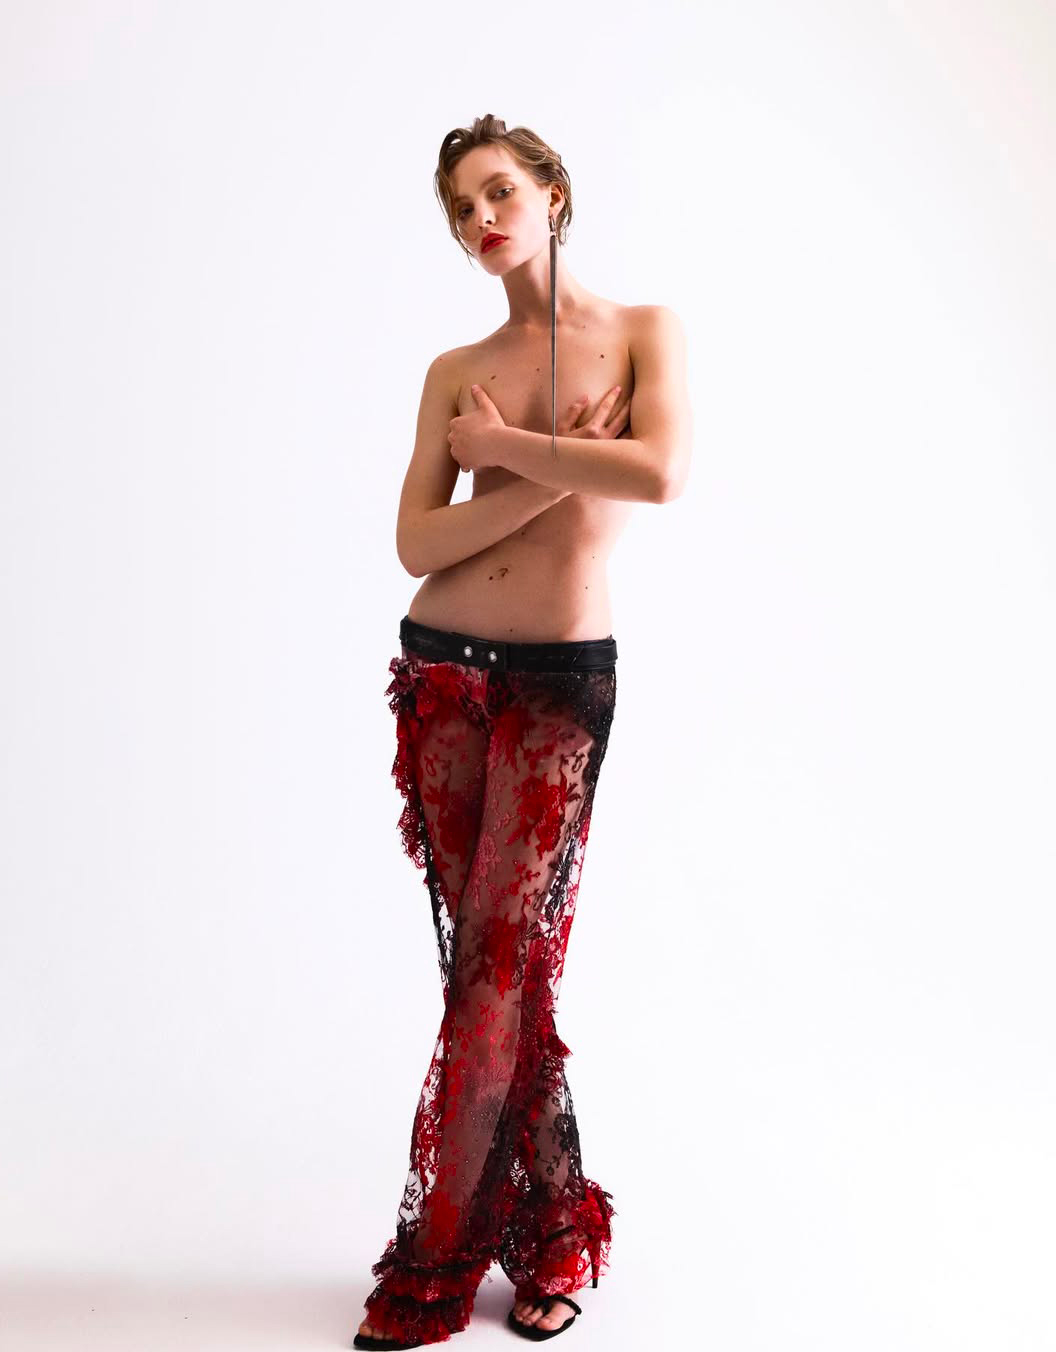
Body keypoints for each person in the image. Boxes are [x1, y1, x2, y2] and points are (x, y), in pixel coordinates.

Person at [355, 114, 693, 1349]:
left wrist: (504, 453)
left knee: (504, 969)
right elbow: (417, 543)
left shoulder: (646, 331)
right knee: (487, 976)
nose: (481, 218)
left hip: (559, 682)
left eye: (498, 191)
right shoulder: (457, 369)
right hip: (444, 672)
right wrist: (544, 467)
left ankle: (434, 1263)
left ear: (553, 191)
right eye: (462, 208)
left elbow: (658, 472)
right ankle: (555, 1230)